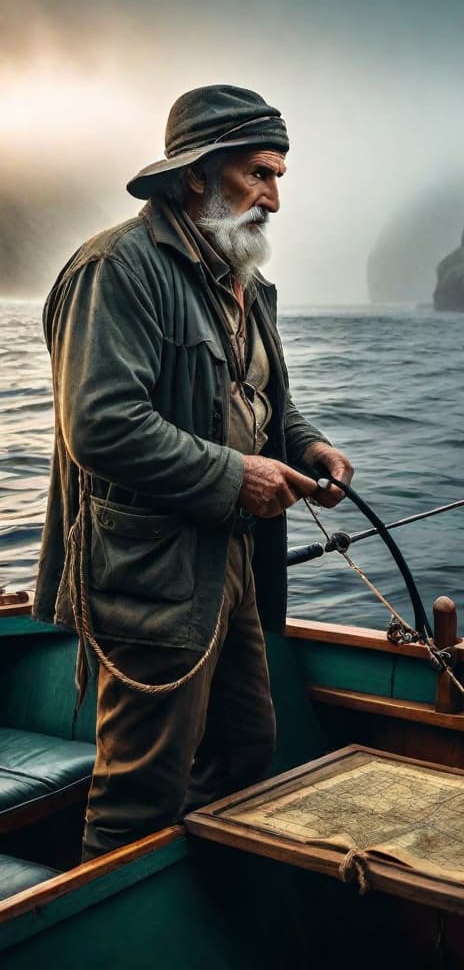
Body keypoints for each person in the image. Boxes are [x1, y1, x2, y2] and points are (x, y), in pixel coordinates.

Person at [33, 84, 353, 860]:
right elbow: (101, 425)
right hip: (146, 574)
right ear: (195, 176)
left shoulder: (246, 282)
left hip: (232, 562)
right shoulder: (119, 268)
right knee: (139, 792)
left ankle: (196, 913)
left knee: (246, 749)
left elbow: (261, 403)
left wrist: (306, 445)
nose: (275, 198)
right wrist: (236, 476)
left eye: (279, 177)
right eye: (258, 175)